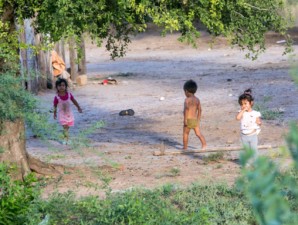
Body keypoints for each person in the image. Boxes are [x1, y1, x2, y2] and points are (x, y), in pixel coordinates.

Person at [53, 78, 82, 144]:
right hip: (62, 115)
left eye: (63, 85)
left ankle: (66, 138)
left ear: (66, 86)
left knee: (67, 127)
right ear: (57, 87)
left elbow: (74, 101)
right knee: (65, 127)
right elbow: (55, 106)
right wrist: (54, 113)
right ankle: (66, 139)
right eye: (59, 86)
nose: (61, 87)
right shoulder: (57, 97)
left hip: (69, 114)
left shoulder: (69, 95)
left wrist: (78, 107)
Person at [236, 89, 262, 160]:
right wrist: (243, 110)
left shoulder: (255, 113)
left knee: (254, 150)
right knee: (246, 151)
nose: (243, 106)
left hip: (253, 135)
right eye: (242, 104)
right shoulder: (241, 112)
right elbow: (238, 118)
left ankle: (256, 163)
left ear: (251, 103)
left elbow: (259, 121)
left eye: (245, 103)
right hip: (244, 135)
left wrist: (259, 122)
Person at [183, 79, 207, 150]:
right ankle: (204, 145)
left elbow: (186, 110)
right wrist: (198, 119)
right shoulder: (197, 100)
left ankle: (185, 147)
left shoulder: (187, 100)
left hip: (188, 119)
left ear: (186, 91)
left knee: (186, 133)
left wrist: (185, 120)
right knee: (198, 133)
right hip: (195, 120)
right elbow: (200, 110)